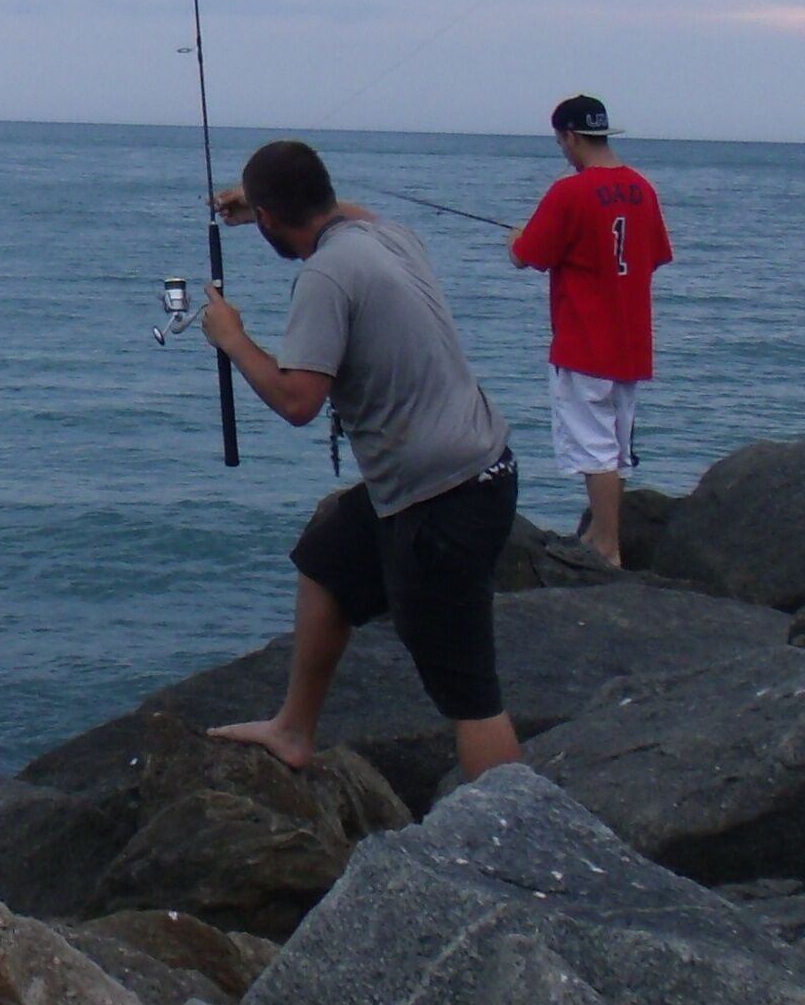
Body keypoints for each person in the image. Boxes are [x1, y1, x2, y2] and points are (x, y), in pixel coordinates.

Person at [198, 139, 527, 784]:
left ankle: (518, 836)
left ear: (267, 217)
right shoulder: (388, 237)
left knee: (469, 695)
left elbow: (298, 401)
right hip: (474, 466)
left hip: (441, 500)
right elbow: (345, 211)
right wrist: (261, 202)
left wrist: (233, 339)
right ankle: (293, 729)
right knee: (329, 556)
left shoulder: (324, 276)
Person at [507, 95, 671, 567]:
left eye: (561, 140)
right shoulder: (643, 188)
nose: (562, 149)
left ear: (571, 137)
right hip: (632, 342)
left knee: (594, 447)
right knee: (617, 445)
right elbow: (654, 255)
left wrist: (513, 240)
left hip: (584, 342)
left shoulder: (569, 192)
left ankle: (605, 544)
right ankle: (604, 533)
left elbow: (526, 255)